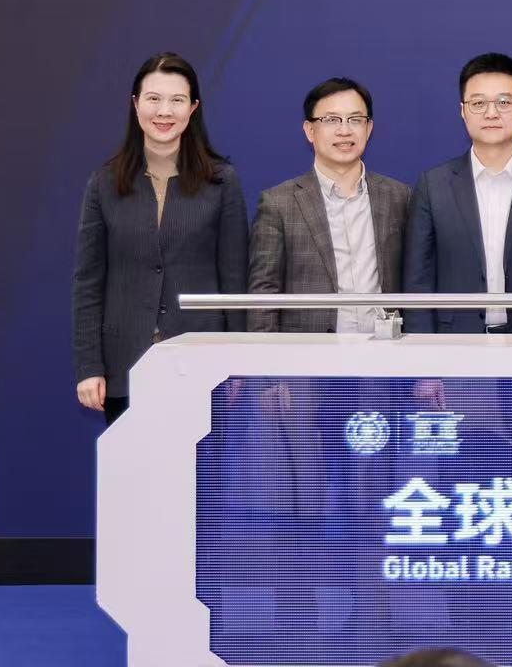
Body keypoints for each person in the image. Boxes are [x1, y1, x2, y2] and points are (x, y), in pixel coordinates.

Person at [72, 52, 248, 423]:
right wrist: (89, 366)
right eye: (154, 99)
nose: (164, 111)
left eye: (177, 100)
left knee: (199, 462)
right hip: (124, 364)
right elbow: (89, 282)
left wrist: (236, 363)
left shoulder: (221, 181)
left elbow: (235, 282)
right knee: (131, 462)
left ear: (193, 108)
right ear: (135, 104)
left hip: (202, 361)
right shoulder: (104, 183)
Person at [403, 53, 512, 333]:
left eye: (504, 102)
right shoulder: (433, 185)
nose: (491, 113)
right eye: (478, 103)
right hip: (455, 344)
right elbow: (418, 280)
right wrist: (424, 352)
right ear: (463, 110)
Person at [248, 78, 411, 333]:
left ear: (369, 128)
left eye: (355, 119)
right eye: (332, 120)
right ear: (309, 130)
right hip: (309, 351)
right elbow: (263, 295)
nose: (344, 130)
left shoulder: (399, 197)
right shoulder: (278, 204)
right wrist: (267, 355)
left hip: (385, 347)